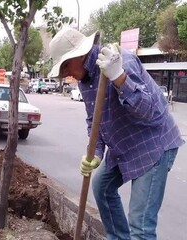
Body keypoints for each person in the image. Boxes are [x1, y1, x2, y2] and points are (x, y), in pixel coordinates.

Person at [48, 27, 184, 239]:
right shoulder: (84, 81)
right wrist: (95, 153)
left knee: (140, 226)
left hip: (152, 146)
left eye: (66, 65)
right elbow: (94, 121)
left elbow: (152, 112)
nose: (65, 74)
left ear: (81, 54)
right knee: (102, 187)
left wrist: (119, 78)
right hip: (124, 146)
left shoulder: (123, 62)